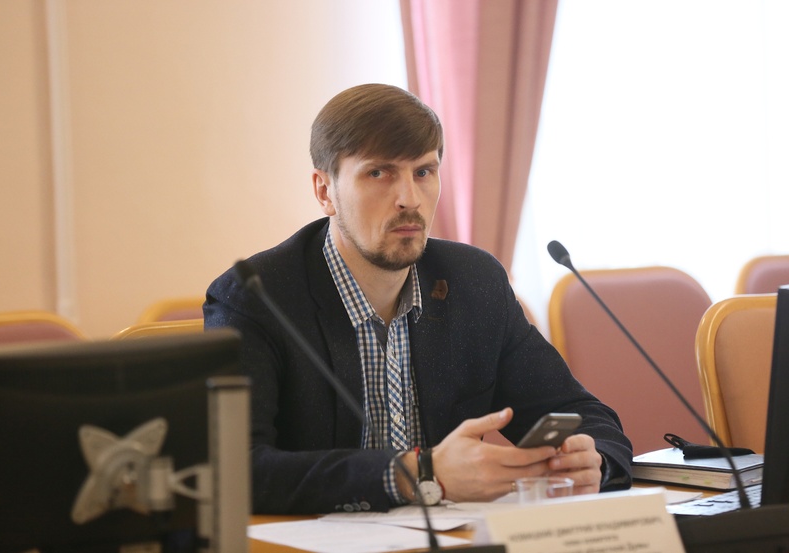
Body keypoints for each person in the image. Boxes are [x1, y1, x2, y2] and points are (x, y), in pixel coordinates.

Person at [204, 83, 633, 515]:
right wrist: (416, 474)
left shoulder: (475, 282)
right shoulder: (255, 297)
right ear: (325, 191)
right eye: (379, 173)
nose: (409, 199)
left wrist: (591, 459)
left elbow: (580, 413)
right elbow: (235, 469)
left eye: (424, 172)